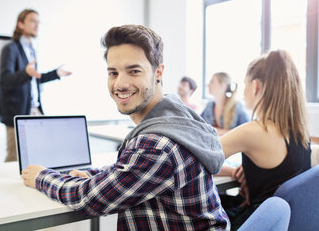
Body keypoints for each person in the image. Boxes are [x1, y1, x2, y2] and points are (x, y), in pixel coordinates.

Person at [21, 25, 230, 230]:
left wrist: (41, 176)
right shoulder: (174, 117)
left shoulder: (157, 145)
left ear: (158, 72)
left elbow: (89, 199)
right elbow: (132, 169)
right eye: (113, 73)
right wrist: (94, 175)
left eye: (134, 71)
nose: (120, 83)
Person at [217, 50, 312, 230]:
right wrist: (243, 171)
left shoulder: (255, 131)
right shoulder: (300, 131)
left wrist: (231, 171)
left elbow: (193, 161)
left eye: (245, 84)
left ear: (256, 87)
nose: (243, 92)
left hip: (256, 222)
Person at [0, 9, 71, 162]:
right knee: (14, 158)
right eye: (32, 20)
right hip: (17, 113)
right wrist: (25, 73)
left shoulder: (31, 49)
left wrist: (55, 74)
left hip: (34, 109)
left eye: (38, 21)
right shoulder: (11, 48)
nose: (37, 25)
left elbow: (33, 79)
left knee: (39, 155)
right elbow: (5, 80)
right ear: (20, 24)